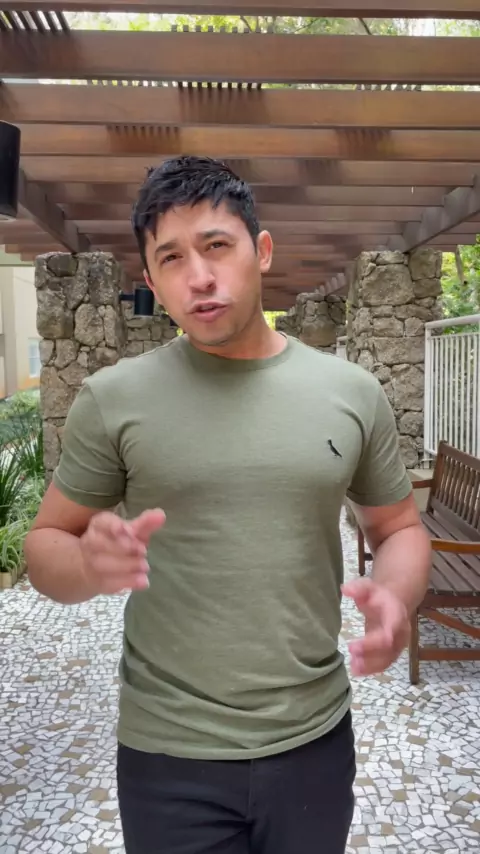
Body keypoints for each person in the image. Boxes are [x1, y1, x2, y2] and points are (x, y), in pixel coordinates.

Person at [25, 155, 431, 854]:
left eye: (216, 245)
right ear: (151, 280)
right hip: (166, 752)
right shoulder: (114, 398)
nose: (199, 276)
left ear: (261, 250)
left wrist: (397, 597)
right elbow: (44, 547)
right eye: (172, 258)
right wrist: (86, 565)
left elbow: (398, 528)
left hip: (312, 739)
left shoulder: (351, 392)